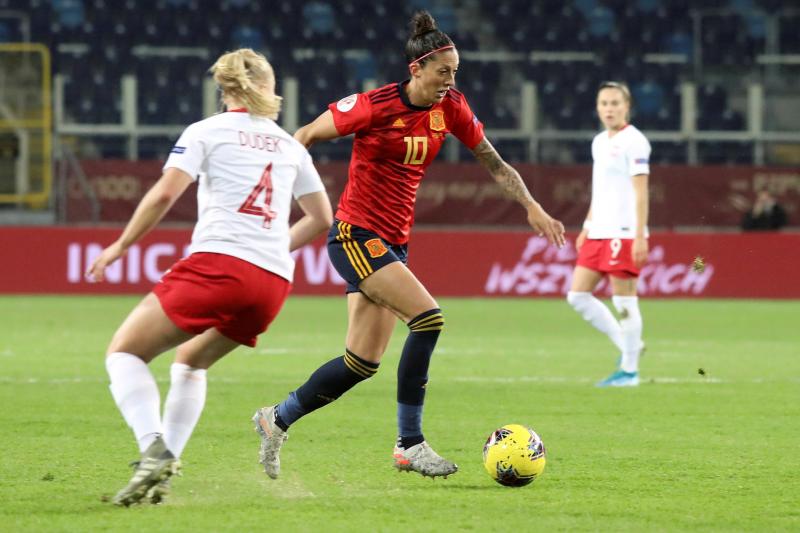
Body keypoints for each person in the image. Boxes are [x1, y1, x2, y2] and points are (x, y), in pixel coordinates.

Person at [251, 11, 565, 480]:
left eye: (455, 72)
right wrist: (288, 201)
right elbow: (304, 137)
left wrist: (531, 205)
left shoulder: (451, 107)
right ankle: (409, 444)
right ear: (416, 68)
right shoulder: (372, 106)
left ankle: (275, 419)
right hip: (356, 234)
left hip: (394, 243)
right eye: (443, 72)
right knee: (428, 318)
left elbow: (494, 162)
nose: (450, 81)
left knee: (360, 364)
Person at [87, 48, 332, 506]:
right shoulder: (290, 145)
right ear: (265, 87)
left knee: (124, 353)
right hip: (272, 283)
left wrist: (121, 245)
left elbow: (163, 195)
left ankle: (151, 452)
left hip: (220, 266)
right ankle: (165, 466)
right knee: (190, 362)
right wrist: (274, 248)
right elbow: (321, 217)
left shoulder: (206, 132)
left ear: (225, 90)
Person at [566, 81, 650, 388]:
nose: (609, 109)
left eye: (615, 103)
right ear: (598, 108)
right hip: (599, 229)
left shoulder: (635, 142)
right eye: (604, 103)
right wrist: (588, 226)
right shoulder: (599, 141)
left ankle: (629, 371)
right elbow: (600, 189)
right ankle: (629, 347)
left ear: (626, 107)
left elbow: (641, 193)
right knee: (577, 296)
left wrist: (640, 236)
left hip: (624, 232)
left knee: (624, 301)